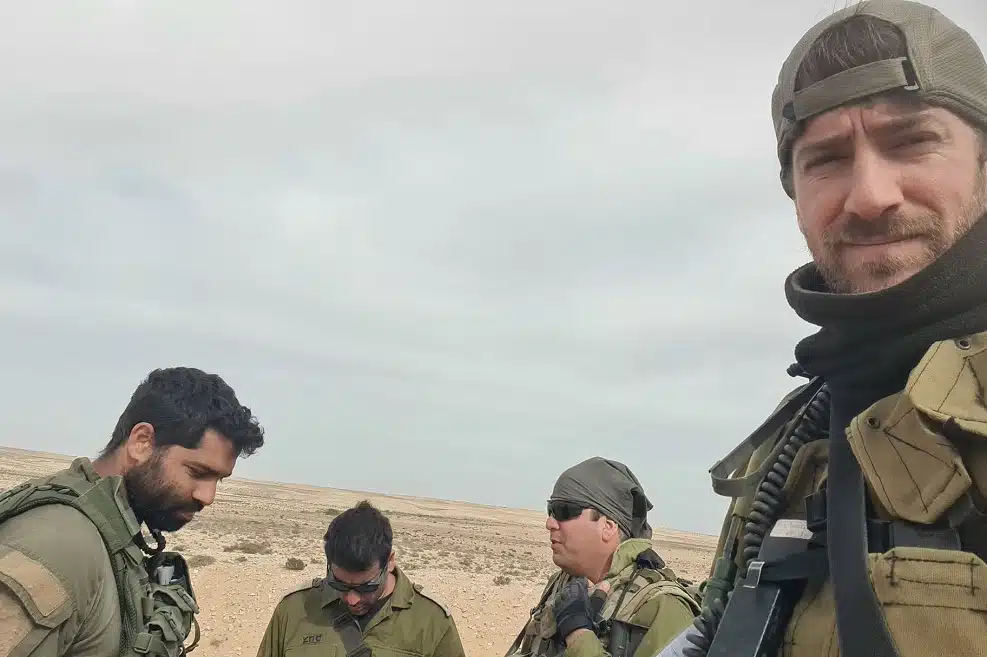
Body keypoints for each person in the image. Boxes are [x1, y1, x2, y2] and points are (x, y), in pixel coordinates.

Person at [681, 2, 987, 657]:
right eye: (826, 159)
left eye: (910, 142)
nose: (869, 195)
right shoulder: (794, 439)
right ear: (795, 194)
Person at [0, 366, 266, 657]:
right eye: (197, 472)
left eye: (219, 480)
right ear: (142, 442)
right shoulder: (59, 546)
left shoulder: (106, 528)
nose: (208, 496)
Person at [505, 457, 700, 657]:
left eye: (564, 511)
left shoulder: (664, 607)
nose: (550, 523)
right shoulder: (563, 583)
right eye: (551, 510)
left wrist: (578, 634)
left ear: (608, 527)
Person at [256, 500, 466, 657]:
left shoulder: (432, 621)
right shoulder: (294, 610)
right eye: (338, 584)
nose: (352, 599)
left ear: (390, 561)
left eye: (366, 587)